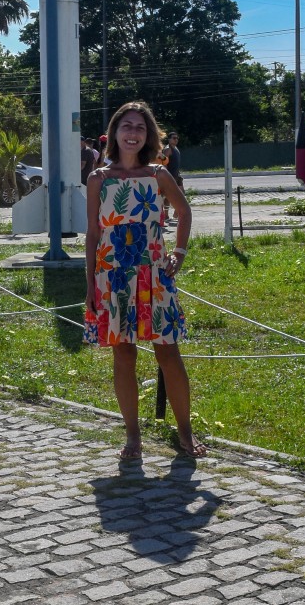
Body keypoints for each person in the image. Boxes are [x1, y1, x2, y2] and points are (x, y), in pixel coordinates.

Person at [84, 101, 206, 461]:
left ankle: (184, 431)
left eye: (140, 127)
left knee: (168, 352)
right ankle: (133, 436)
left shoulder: (158, 174)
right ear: (115, 132)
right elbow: (92, 232)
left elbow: (183, 211)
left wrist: (179, 253)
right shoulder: (98, 179)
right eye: (127, 126)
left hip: (153, 274)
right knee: (123, 354)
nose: (133, 133)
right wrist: (90, 282)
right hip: (112, 273)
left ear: (148, 134)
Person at [162, 131, 183, 224]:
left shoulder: (176, 148)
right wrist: (167, 176)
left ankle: (176, 213)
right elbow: (164, 163)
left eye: (177, 138)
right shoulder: (167, 149)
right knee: (168, 196)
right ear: (169, 139)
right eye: (174, 138)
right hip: (170, 175)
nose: (176, 140)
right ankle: (166, 215)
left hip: (177, 175)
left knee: (182, 193)